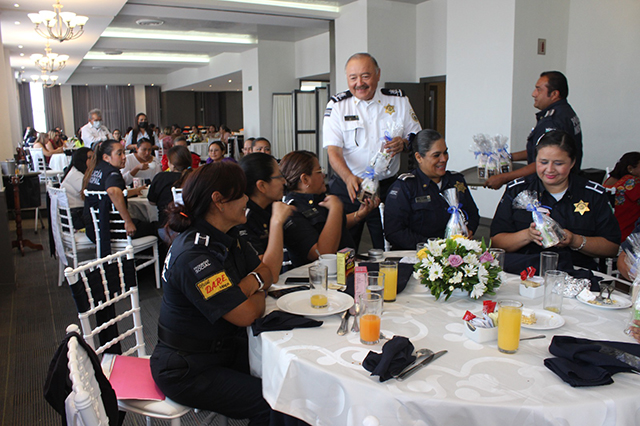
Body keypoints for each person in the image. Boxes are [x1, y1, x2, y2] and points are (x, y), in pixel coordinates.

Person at [149, 162, 307, 426]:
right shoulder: (195, 256)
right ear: (219, 201)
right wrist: (253, 289)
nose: (247, 198)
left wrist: (245, 287)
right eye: (240, 193)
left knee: (295, 379)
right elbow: (246, 314)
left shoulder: (227, 235)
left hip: (223, 350)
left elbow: (268, 272)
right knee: (279, 404)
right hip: (188, 368)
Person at [323, 52, 422, 250]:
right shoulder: (338, 106)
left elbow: (417, 139)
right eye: (353, 77)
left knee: (389, 244)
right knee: (343, 245)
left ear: (377, 74)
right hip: (349, 185)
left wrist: (403, 144)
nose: (359, 83)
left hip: (387, 188)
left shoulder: (398, 101)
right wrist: (348, 177)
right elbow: (333, 151)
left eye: (365, 76)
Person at [490, 130, 620, 271]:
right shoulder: (518, 191)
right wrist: (528, 235)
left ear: (572, 163)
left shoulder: (592, 194)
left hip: (577, 274)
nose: (550, 170)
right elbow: (496, 242)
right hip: (524, 273)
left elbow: (611, 247)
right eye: (543, 162)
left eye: (558, 163)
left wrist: (575, 240)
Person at [484, 71, 583, 190]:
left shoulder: (553, 121)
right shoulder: (565, 112)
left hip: (550, 187)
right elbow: (538, 150)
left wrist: (504, 177)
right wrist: (507, 157)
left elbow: (545, 160)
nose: (534, 94)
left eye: (539, 89)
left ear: (554, 94)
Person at [384, 129, 480, 249]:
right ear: (419, 157)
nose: (444, 159)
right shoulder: (406, 187)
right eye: (436, 155)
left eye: (445, 153)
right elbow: (394, 232)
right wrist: (436, 247)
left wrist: (468, 231)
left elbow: (473, 213)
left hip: (455, 254)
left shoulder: (455, 181)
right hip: (419, 255)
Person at [280, 150, 378, 267]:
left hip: (344, 268)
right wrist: (336, 209)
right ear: (305, 179)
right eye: (319, 172)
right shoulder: (292, 211)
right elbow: (322, 254)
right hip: (318, 278)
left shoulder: (318, 198)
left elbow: (333, 226)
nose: (323, 175)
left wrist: (359, 215)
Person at [82, 140, 152, 257]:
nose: (124, 157)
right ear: (106, 157)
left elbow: (110, 194)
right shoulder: (112, 173)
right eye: (119, 154)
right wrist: (128, 221)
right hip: (111, 229)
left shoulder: (97, 170)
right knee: (155, 226)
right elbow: (113, 192)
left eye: (124, 153)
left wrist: (134, 191)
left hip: (94, 228)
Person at [236, 153, 295, 279]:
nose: (284, 181)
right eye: (279, 176)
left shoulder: (271, 207)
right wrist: (276, 222)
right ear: (261, 186)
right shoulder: (242, 218)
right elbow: (269, 274)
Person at [148, 145, 193, 241]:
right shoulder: (194, 177)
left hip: (165, 229)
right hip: (192, 229)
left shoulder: (160, 177)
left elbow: (151, 202)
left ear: (172, 164)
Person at [603, 152, 640, 241]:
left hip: (609, 233)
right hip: (627, 234)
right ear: (630, 168)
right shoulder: (632, 182)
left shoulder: (610, 180)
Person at [60, 147, 93, 230]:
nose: (93, 160)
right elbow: (90, 193)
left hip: (77, 214)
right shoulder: (75, 176)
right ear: (81, 159)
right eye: (90, 158)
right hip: (76, 217)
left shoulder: (78, 171)